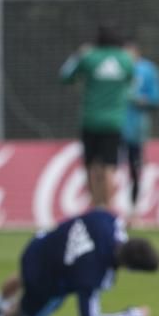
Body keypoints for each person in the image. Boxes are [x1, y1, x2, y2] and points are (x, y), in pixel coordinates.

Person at [0, 209, 159, 316]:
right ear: (131, 268)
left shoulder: (108, 220)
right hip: (45, 283)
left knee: (23, 275)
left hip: (37, 247)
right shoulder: (96, 276)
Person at [60, 24, 135, 209]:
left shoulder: (89, 57)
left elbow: (65, 76)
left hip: (90, 120)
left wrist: (78, 55)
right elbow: (131, 82)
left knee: (91, 166)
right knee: (109, 166)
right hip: (114, 121)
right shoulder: (125, 60)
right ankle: (109, 208)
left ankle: (95, 207)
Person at [121, 38, 159, 220]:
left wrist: (138, 99)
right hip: (113, 128)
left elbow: (157, 98)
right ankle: (103, 210)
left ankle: (133, 211)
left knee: (134, 169)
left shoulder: (148, 70)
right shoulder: (117, 69)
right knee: (106, 168)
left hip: (136, 130)